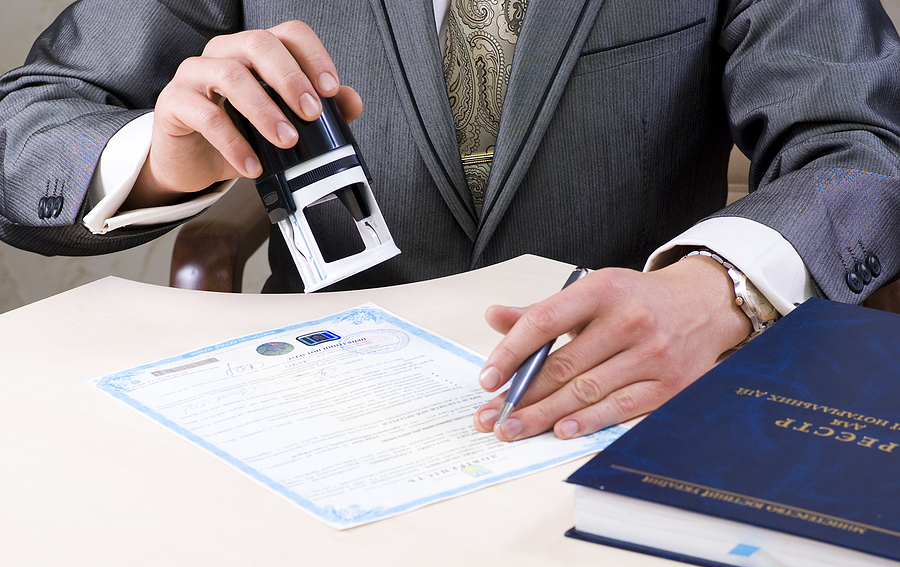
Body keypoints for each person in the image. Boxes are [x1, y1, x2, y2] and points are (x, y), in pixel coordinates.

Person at [2, 1, 900, 443]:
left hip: (632, 405)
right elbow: (24, 124)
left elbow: (866, 142)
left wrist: (722, 290)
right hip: (313, 412)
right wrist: (160, 157)